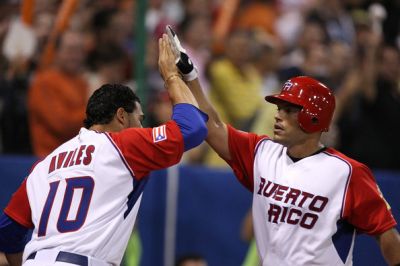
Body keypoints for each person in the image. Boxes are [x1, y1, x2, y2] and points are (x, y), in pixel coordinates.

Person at [166, 26, 400, 265]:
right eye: (279, 109)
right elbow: (213, 126)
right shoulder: (261, 152)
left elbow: (387, 235)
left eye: (289, 111)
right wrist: (191, 77)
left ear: (314, 117)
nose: (278, 116)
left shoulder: (348, 173)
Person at [0, 34, 208, 266]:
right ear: (121, 116)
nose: (141, 127)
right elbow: (193, 128)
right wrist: (171, 76)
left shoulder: (44, 165)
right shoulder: (123, 144)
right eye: (138, 119)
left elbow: (8, 233)